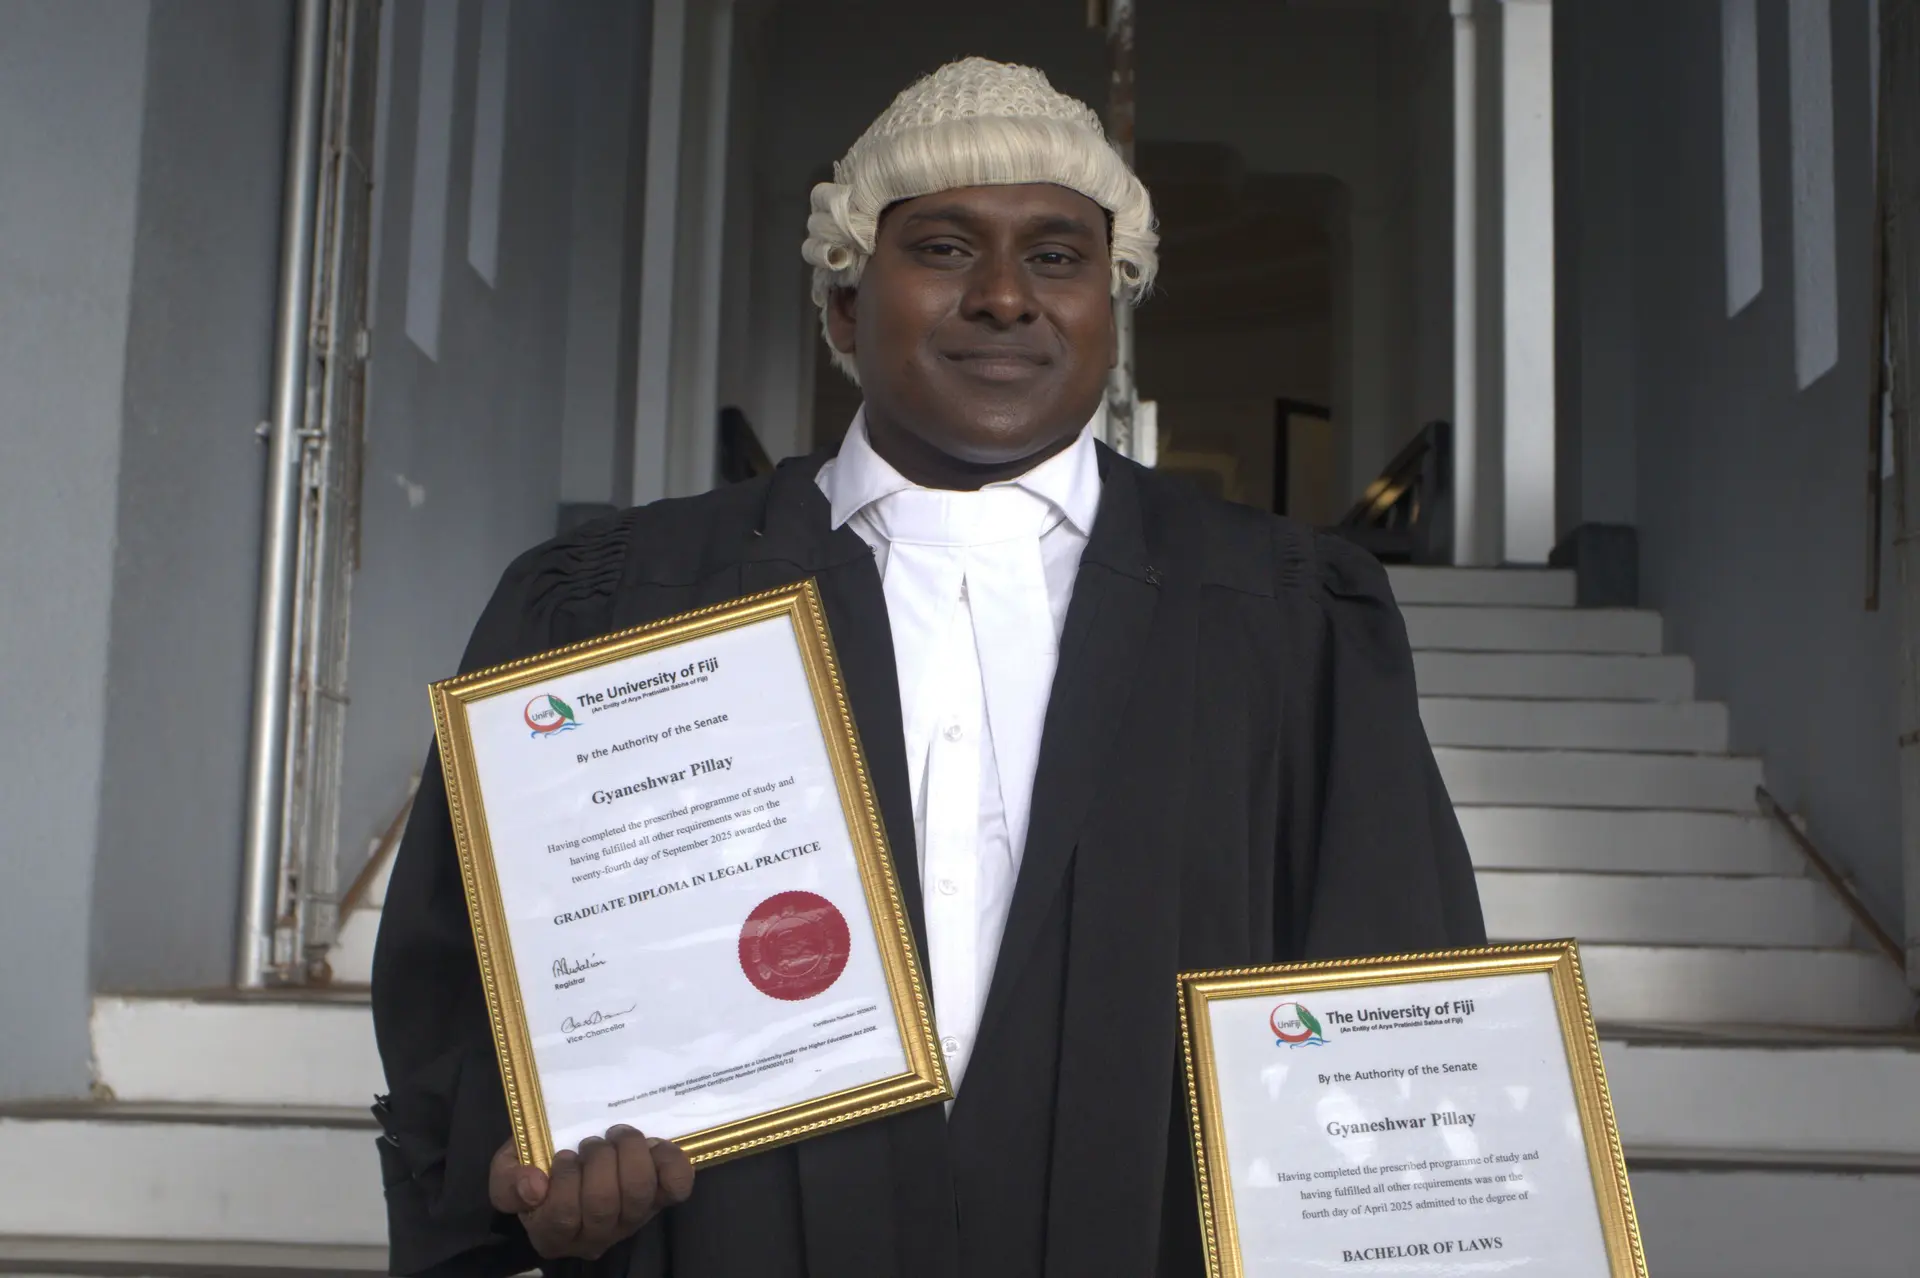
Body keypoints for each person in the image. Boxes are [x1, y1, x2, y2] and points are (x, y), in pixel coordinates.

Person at [372, 56, 1484, 1278]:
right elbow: (468, 988)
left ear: (1111, 312)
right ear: (846, 308)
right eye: (946, 248)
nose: (1005, 296)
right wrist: (525, 1182)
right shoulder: (613, 602)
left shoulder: (1286, 617)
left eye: (1058, 257)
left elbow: (1392, 989)